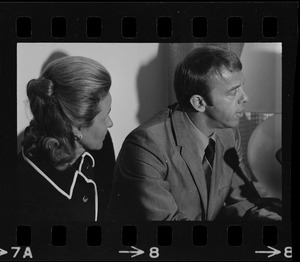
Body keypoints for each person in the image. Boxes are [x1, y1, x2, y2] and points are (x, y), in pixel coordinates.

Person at [106, 46, 282, 222]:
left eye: (241, 87)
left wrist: (271, 221)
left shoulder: (228, 133)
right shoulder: (147, 145)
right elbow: (170, 227)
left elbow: (242, 203)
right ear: (199, 103)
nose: (245, 97)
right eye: (233, 92)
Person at [16, 56, 114, 222]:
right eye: (105, 117)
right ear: (75, 128)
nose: (110, 124)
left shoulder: (101, 144)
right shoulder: (22, 189)